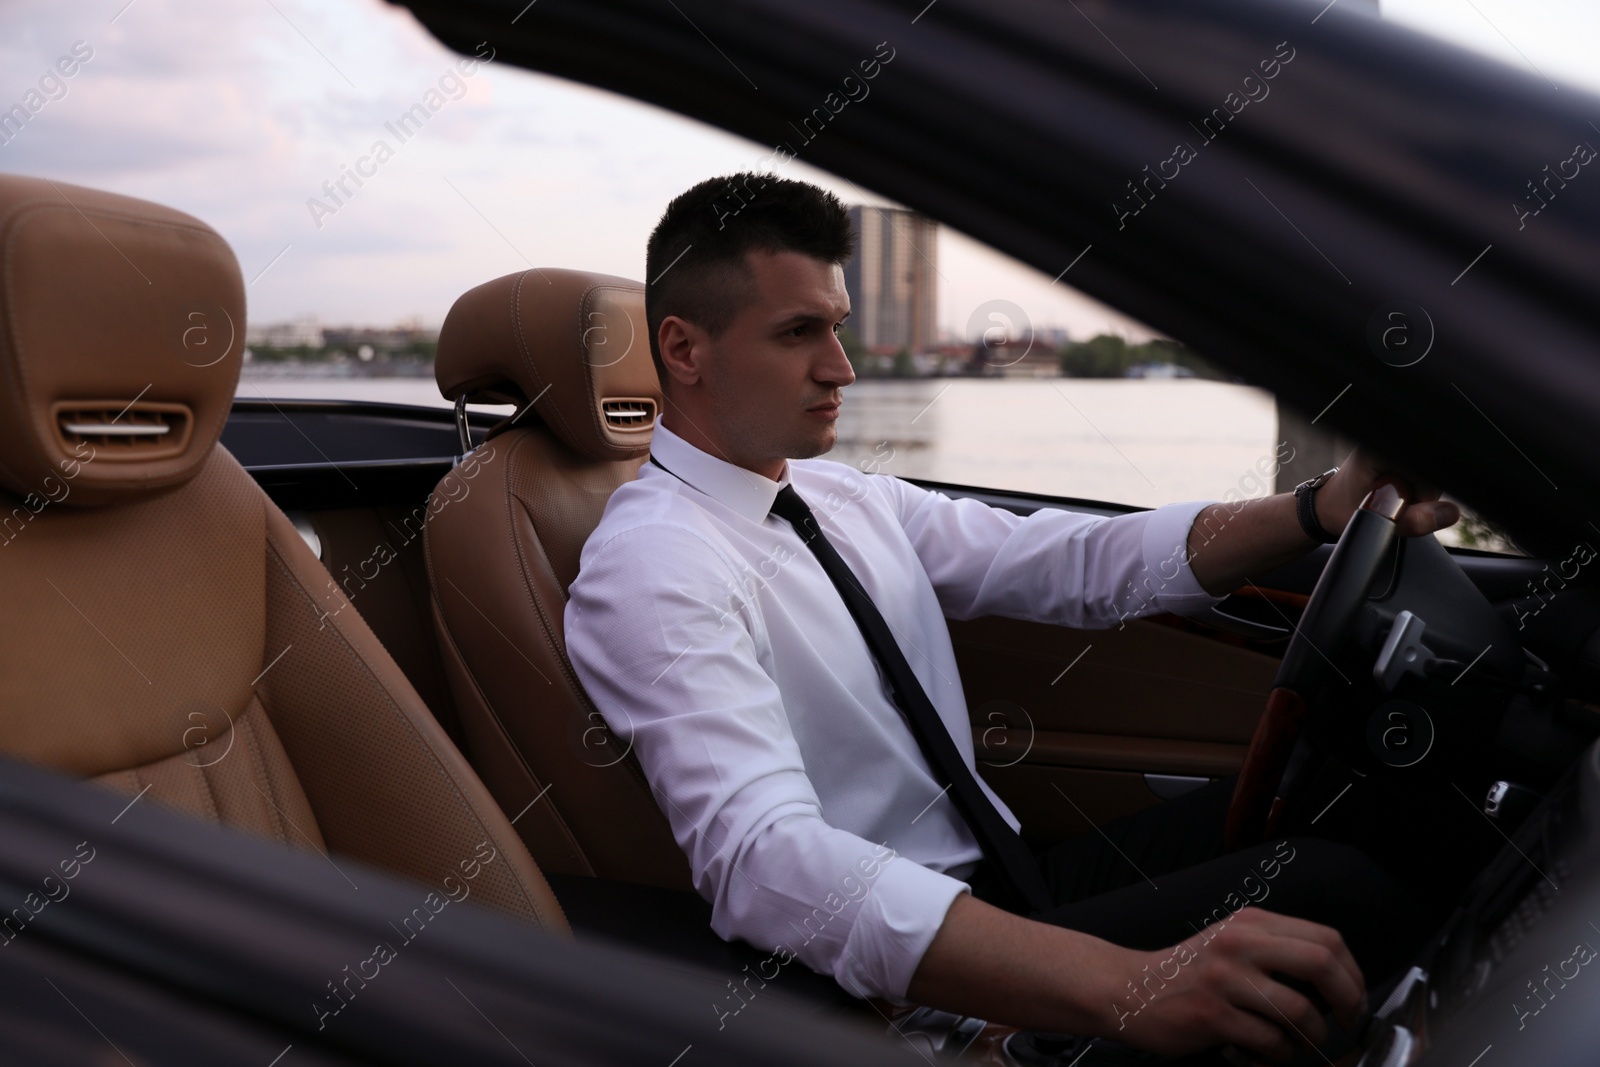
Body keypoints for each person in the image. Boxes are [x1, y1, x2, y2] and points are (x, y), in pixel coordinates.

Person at [563, 172, 1459, 1061]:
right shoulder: (654, 562)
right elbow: (764, 860)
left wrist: (1320, 509)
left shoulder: (835, 494)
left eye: (836, 327)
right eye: (798, 333)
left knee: (1356, 789)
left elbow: (1069, 563)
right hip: (915, 985)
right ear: (684, 351)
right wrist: (1123, 987)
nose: (840, 366)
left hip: (1012, 884)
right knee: (1330, 890)